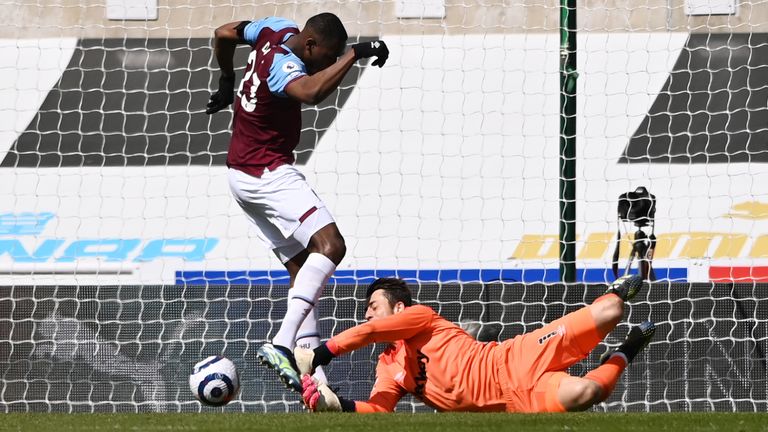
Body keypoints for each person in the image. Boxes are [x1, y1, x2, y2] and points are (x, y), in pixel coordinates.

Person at [206, 13, 389, 393]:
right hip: (267, 173)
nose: (328, 62)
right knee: (332, 245)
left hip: (239, 175)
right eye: (327, 55)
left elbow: (224, 33)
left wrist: (226, 80)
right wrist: (353, 55)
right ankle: (282, 344)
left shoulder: (274, 28)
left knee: (304, 266)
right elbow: (309, 92)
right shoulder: (286, 66)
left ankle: (312, 372)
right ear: (309, 46)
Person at [295, 275, 656, 412]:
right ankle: (626, 351)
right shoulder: (387, 367)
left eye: (373, 307)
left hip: (515, 357)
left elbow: (369, 333)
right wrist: (337, 405)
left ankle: (613, 291)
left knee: (611, 308)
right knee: (587, 393)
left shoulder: (418, 316)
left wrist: (319, 353)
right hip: (515, 401)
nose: (368, 316)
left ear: (399, 307)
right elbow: (379, 412)